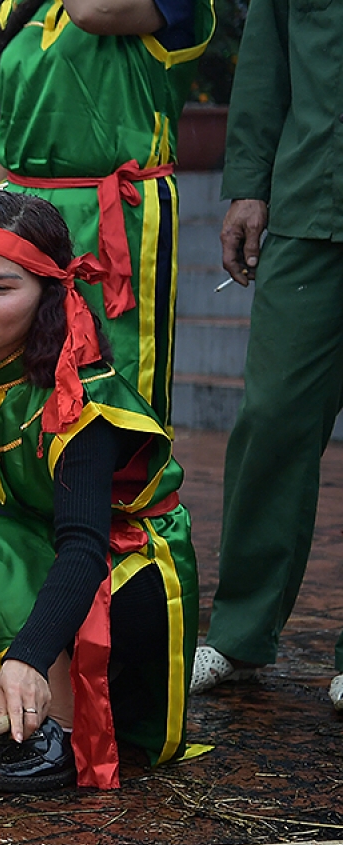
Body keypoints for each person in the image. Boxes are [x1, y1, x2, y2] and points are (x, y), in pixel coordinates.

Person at [0, 190, 196, 793]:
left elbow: (82, 547)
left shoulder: (79, 402)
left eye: (1, 288)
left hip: (124, 573)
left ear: (47, 297)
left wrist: (27, 655)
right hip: (46, 546)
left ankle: (63, 726)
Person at [191, 0, 343, 710]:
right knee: (274, 414)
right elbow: (265, 60)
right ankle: (243, 632)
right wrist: (249, 183)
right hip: (313, 203)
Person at [0, 0, 213, 424]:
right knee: (20, 375)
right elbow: (11, 118)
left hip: (115, 218)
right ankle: (21, 487)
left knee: (110, 382)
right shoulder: (31, 6)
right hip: (23, 212)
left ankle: (113, 490)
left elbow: (94, 12)